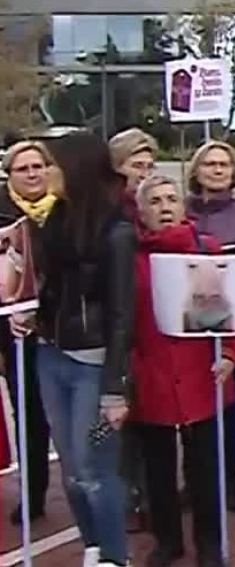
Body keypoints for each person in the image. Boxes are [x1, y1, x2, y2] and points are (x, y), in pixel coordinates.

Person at [15, 132, 136, 567]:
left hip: (94, 363)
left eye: (51, 165)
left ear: (76, 169)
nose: (44, 173)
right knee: (70, 474)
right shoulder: (52, 222)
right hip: (51, 354)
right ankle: (93, 547)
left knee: (94, 470)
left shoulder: (117, 232)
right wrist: (26, 313)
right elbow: (47, 290)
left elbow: (123, 314)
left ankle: (114, 557)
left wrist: (115, 388)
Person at [129, 175, 235, 567]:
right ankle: (168, 541)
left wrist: (231, 355)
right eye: (156, 201)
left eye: (171, 199)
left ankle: (209, 544)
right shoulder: (129, 257)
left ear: (183, 206)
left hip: (204, 374)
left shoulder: (207, 248)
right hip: (152, 375)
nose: (165, 207)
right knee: (158, 470)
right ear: (141, 211)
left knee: (205, 470)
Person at [184, 140, 235, 510]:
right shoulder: (182, 212)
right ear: (196, 171)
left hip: (232, 321)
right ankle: (193, 480)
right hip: (188, 321)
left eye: (224, 165)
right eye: (210, 164)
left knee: (229, 405)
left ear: (234, 173)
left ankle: (228, 479)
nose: (217, 170)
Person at [0, 141, 56, 525]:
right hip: (12, 327)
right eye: (23, 168)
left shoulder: (63, 211)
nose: (33, 173)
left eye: (38, 166)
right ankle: (33, 493)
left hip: (59, 325)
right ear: (10, 177)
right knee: (28, 412)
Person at [108, 127, 158, 532]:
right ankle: (128, 498)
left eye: (148, 165)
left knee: (151, 418)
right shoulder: (110, 212)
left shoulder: (152, 207)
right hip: (120, 327)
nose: (143, 172)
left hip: (153, 326)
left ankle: (149, 495)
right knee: (125, 420)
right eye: (135, 165)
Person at [108, 128, 158, 221]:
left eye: (150, 167)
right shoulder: (106, 211)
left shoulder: (156, 207)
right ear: (115, 167)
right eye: (137, 166)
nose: (145, 175)